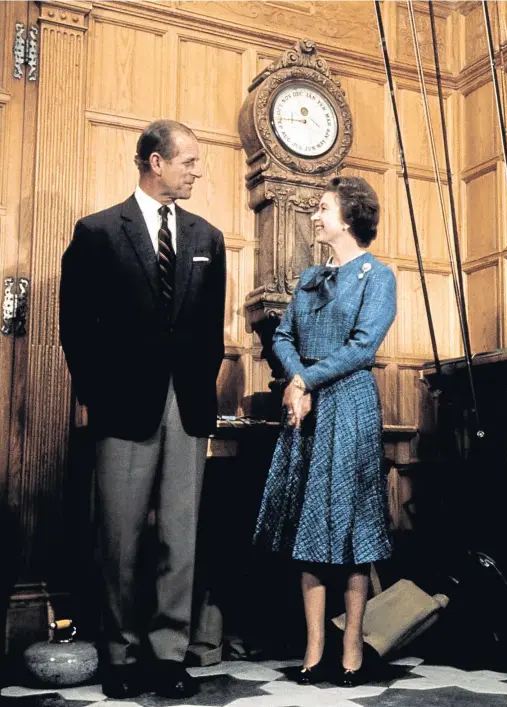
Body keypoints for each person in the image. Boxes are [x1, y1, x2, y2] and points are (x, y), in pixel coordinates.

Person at [59, 119, 226, 699]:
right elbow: (76, 330)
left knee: (180, 539)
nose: (196, 170)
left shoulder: (207, 238)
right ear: (156, 162)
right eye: (189, 161)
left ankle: (167, 654)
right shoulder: (99, 233)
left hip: (187, 410)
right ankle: (121, 655)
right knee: (120, 540)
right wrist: (99, 398)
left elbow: (210, 333)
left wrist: (200, 397)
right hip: (122, 410)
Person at [252, 175, 396, 687]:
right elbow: (284, 335)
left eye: (324, 208)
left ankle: (352, 647)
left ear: (351, 217)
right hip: (305, 407)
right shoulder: (311, 276)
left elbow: (361, 347)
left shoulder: (378, 278)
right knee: (306, 529)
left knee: (352, 528)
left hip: (349, 402)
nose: (316, 215)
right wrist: (297, 383)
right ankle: (314, 649)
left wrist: (305, 380)